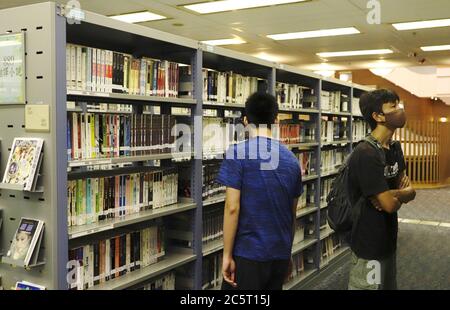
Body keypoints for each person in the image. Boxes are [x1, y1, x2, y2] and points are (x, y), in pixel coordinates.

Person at [216, 92, 303, 290]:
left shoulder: (237, 154)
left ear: (246, 121)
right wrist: (286, 253)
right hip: (279, 253)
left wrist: (227, 255)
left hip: (248, 254)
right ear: (276, 120)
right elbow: (292, 213)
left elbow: (232, 208)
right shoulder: (292, 160)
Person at [348, 89, 416, 290]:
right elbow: (389, 205)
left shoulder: (395, 148)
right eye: (393, 106)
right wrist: (400, 195)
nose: (400, 110)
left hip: (389, 240)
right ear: (378, 116)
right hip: (369, 246)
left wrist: (398, 194)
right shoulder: (366, 153)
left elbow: (408, 190)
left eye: (399, 104)